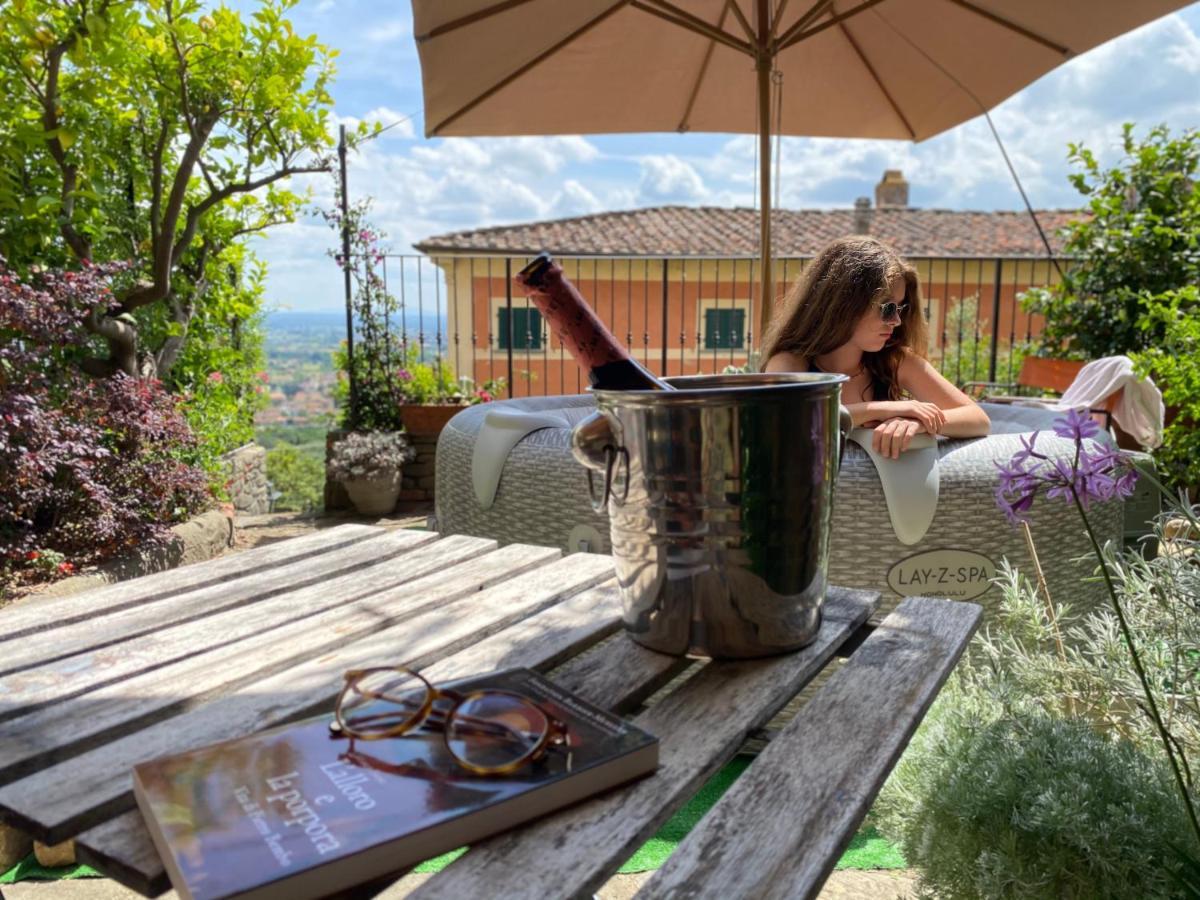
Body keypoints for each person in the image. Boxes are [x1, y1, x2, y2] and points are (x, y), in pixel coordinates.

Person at [761, 236, 989, 458]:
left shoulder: (894, 361)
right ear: (845, 304)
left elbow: (978, 419)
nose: (897, 321)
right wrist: (886, 409)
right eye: (887, 308)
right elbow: (786, 422)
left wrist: (918, 421)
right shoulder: (792, 363)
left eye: (900, 308)